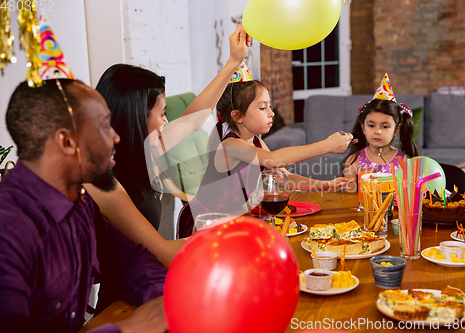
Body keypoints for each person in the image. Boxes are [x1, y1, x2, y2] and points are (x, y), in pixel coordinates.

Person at [0, 79, 168, 333]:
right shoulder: (8, 228)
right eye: (103, 127)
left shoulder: (79, 203)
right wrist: (128, 328)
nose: (116, 137)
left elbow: (131, 260)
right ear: (67, 142)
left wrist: (163, 299)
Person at [84, 25, 251, 267]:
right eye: (162, 114)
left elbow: (193, 121)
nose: (167, 122)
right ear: (136, 119)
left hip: (151, 279)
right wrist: (229, 232)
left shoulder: (141, 149)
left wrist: (234, 62)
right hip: (126, 299)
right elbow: (163, 251)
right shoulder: (103, 182)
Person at [177, 80, 355, 238]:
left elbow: (284, 178)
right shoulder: (230, 146)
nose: (271, 113)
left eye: (269, 106)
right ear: (237, 116)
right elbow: (274, 159)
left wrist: (323, 185)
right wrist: (326, 146)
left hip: (238, 219)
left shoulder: (257, 143)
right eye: (263, 108)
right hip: (207, 223)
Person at [341, 73, 420, 182]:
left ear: (396, 129)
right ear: (363, 127)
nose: (377, 131)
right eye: (371, 125)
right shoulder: (353, 162)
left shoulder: (406, 163)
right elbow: (349, 197)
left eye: (385, 126)